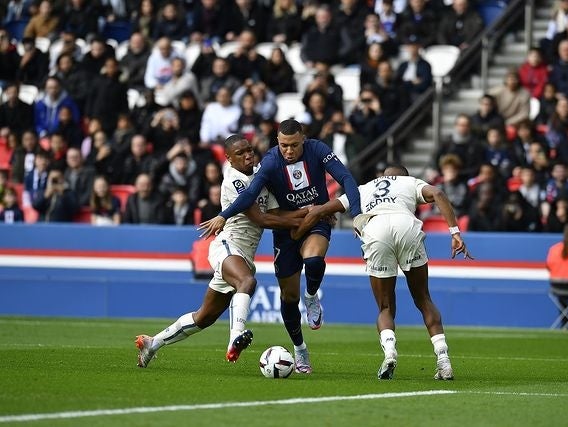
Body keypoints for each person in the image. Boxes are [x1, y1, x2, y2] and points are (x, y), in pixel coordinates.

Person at [199, 119, 362, 374]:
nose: (289, 151)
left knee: (314, 260)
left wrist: (358, 214)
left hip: (315, 221)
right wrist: (224, 214)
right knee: (288, 296)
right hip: (285, 231)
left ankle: (311, 297)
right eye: (284, 145)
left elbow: (347, 178)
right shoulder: (271, 162)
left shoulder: (318, 150)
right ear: (277, 141)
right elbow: (250, 195)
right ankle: (300, 349)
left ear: (303, 140)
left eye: (294, 145)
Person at [135, 135, 306, 368]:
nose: (248, 155)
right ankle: (235, 336)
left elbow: (276, 215)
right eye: (240, 153)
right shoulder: (233, 181)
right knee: (247, 282)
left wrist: (310, 213)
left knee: (203, 317)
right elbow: (260, 219)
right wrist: (306, 219)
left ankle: (152, 343)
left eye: (249, 150)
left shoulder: (260, 177)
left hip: (244, 255)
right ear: (228, 159)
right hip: (227, 246)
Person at [291, 164, 472, 380]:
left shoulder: (363, 188)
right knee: (423, 299)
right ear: (404, 176)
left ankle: (389, 354)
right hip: (406, 226)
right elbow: (439, 193)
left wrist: (297, 234)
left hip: (376, 230)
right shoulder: (410, 182)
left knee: (385, 306)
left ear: (383, 176)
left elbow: (320, 210)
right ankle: (444, 362)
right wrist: (455, 233)